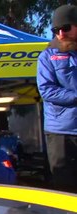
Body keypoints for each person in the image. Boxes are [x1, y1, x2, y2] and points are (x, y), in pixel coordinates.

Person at [36, 4, 77, 193]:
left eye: (66, 28)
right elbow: (46, 90)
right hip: (61, 132)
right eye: (55, 30)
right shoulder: (47, 56)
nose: (61, 33)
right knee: (65, 189)